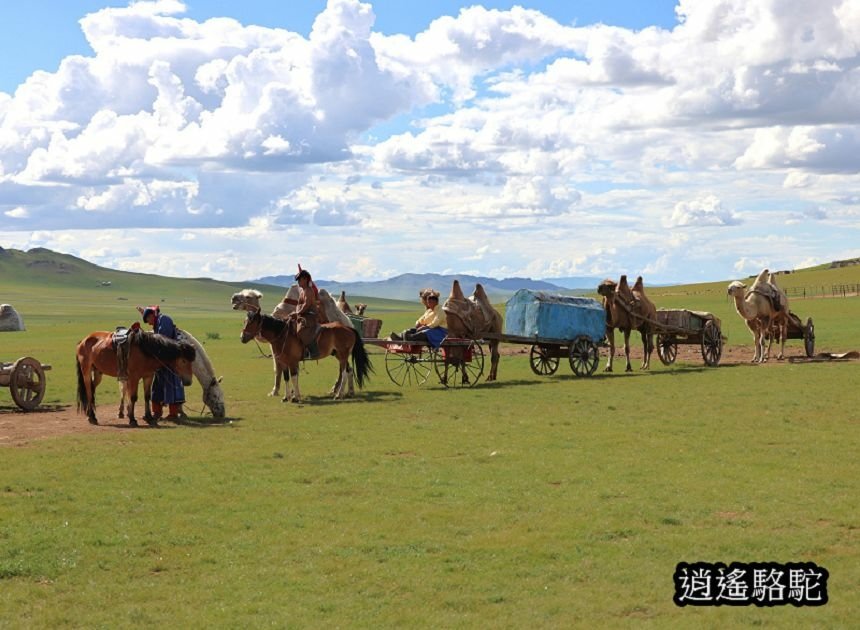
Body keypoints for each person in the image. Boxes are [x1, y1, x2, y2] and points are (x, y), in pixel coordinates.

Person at [137, 304, 186, 420]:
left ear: (152, 315)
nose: (148, 323)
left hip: (170, 359)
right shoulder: (158, 322)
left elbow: (163, 339)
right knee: (157, 386)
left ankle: (173, 414)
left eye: (148, 319)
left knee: (171, 385)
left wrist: (149, 337)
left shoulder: (164, 319)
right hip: (161, 360)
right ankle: (157, 412)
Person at [291, 267, 321, 355]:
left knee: (300, 331)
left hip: (311, 315)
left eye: (300, 279)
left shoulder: (309, 291)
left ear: (305, 279)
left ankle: (311, 350)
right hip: (304, 314)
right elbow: (299, 304)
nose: (298, 282)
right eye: (298, 280)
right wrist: (296, 313)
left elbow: (306, 305)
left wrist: (298, 313)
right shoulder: (302, 291)